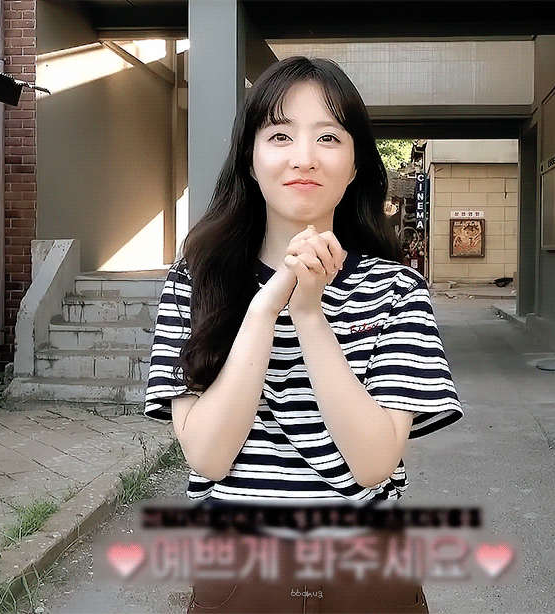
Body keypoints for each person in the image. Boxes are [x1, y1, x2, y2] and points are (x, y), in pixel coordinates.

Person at [144, 56, 463, 613]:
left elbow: (373, 464)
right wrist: (266, 309)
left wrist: (310, 316)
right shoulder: (196, 281)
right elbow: (208, 457)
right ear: (250, 158)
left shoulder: (397, 291)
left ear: (356, 164)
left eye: (329, 137)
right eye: (280, 135)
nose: (304, 157)